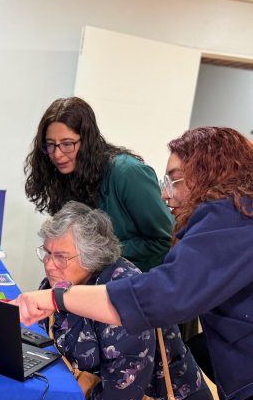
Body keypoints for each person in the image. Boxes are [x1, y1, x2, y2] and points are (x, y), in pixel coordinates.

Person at [14, 127, 253, 400]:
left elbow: (165, 295)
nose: (165, 194)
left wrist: (57, 298)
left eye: (174, 180)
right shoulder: (238, 216)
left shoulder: (232, 216)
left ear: (210, 173)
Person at [34, 201, 214, 400]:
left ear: (92, 257)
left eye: (61, 257)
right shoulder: (60, 284)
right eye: (46, 252)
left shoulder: (123, 299)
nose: (48, 264)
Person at [24, 97, 174, 272]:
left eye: (67, 144)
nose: (57, 154)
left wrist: (98, 252)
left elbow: (165, 239)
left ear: (87, 141)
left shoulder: (126, 172)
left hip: (135, 281)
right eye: (50, 145)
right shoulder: (64, 173)